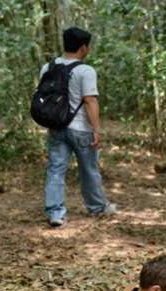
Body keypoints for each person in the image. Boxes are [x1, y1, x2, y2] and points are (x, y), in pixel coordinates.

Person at [42, 27, 116, 227]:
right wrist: (97, 129)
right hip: (81, 129)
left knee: (55, 169)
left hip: (55, 127)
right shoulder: (85, 71)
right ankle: (97, 207)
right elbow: (90, 100)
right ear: (83, 48)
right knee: (88, 169)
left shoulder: (48, 67)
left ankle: (55, 213)